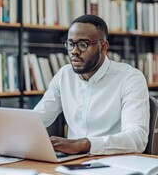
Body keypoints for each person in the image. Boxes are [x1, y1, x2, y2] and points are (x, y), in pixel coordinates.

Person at [34, 14, 149, 155]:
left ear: (104, 47)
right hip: (72, 163)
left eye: (83, 44)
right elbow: (37, 120)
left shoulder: (130, 77)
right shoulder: (64, 75)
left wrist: (85, 144)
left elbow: (137, 138)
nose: (74, 51)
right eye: (70, 44)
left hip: (114, 163)